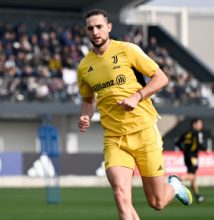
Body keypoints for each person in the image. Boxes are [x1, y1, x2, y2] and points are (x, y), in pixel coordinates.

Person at [77, 9, 192, 220]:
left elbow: (161, 78)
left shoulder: (127, 50)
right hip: (114, 138)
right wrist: (85, 115)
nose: (95, 31)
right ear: (86, 32)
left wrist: (137, 96)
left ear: (109, 27)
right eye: (90, 28)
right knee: (121, 196)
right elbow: (87, 100)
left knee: (157, 202)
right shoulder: (84, 67)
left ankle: (174, 186)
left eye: (99, 26)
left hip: (144, 132)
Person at [175, 118, 207, 203]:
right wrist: (206, 150)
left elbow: (177, 143)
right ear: (194, 124)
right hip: (193, 157)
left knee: (193, 176)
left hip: (186, 156)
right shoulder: (197, 133)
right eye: (199, 124)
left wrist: (184, 150)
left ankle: (197, 195)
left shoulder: (186, 133)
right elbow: (200, 144)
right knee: (192, 175)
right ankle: (177, 180)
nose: (201, 126)